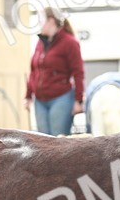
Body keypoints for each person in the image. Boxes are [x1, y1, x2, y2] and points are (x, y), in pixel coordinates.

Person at [25, 7, 84, 136]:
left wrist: (78, 100)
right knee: (42, 141)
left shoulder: (70, 43)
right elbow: (34, 70)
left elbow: (78, 72)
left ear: (51, 21)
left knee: (58, 140)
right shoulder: (40, 43)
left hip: (61, 98)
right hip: (40, 101)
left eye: (41, 21)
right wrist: (28, 96)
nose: (39, 24)